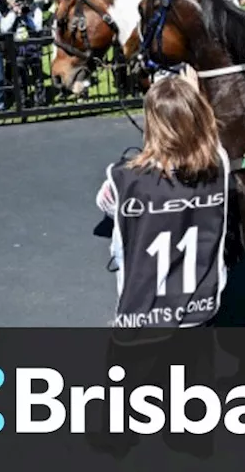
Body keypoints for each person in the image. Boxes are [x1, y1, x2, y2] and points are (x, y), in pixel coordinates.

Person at [94, 74, 230, 330]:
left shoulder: (123, 178)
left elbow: (104, 203)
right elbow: (210, 146)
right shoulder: (219, 166)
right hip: (200, 309)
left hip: (143, 314)